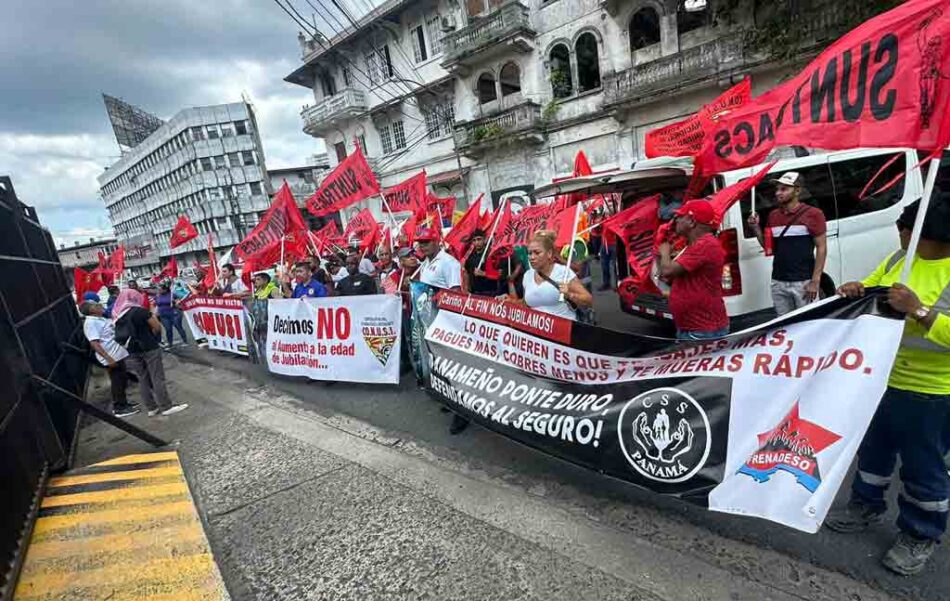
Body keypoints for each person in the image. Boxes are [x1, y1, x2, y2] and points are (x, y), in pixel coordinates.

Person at [825, 198, 950, 576]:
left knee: (922, 466)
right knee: (873, 452)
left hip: (932, 392)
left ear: (921, 233)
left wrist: (920, 311)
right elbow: (875, 289)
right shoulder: (900, 259)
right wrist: (857, 290)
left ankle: (920, 532)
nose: (900, 234)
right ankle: (865, 503)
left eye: (905, 227)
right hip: (881, 378)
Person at [747, 171, 828, 315]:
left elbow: (821, 247)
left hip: (803, 280)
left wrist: (815, 281)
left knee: (807, 323)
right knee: (784, 325)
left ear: (797, 190)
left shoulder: (814, 214)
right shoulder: (773, 216)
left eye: (784, 189)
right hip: (778, 281)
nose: (778, 193)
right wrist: (756, 228)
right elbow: (769, 247)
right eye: (777, 189)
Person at [658, 199, 730, 341]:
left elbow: (667, 270)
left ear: (691, 222)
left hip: (703, 330)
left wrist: (664, 251)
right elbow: (668, 275)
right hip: (693, 328)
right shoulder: (693, 245)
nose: (675, 221)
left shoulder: (705, 244)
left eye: (679, 217)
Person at [113, 289, 188, 417]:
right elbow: (157, 327)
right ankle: (166, 406)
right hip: (149, 348)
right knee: (157, 377)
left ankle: (151, 408)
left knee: (142, 378)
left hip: (131, 351)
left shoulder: (118, 315)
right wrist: (149, 336)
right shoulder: (140, 311)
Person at [508, 230, 593, 321]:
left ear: (549, 254)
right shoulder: (527, 276)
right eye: (529, 253)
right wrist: (512, 302)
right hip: (536, 332)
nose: (532, 257)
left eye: (537, 253)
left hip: (563, 330)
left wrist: (569, 295)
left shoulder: (563, 272)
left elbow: (589, 300)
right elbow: (527, 303)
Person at [80, 300, 139, 417]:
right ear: (92, 310)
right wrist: (108, 359)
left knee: (122, 379)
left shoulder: (100, 319)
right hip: (111, 356)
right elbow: (94, 343)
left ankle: (124, 402)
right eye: (96, 305)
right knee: (117, 381)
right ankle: (119, 407)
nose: (100, 306)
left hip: (117, 354)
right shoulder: (91, 323)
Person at [417, 227, 462, 291]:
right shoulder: (425, 262)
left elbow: (455, 291)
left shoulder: (448, 262)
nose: (422, 246)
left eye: (426, 242)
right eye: (420, 243)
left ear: (436, 242)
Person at [463, 229, 502, 296]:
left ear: (484, 240)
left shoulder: (492, 255)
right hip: (475, 293)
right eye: (474, 240)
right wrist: (466, 288)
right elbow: (467, 273)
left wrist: (483, 274)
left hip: (491, 293)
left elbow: (500, 274)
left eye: (479, 239)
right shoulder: (470, 257)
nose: (477, 242)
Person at [155, 283, 188, 347]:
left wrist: (175, 302)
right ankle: (170, 343)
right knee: (168, 329)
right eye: (158, 290)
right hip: (163, 315)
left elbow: (182, 299)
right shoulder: (157, 296)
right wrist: (156, 312)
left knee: (178, 327)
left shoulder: (172, 295)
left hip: (174, 314)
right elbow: (157, 305)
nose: (159, 291)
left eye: (160, 290)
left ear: (165, 290)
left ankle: (185, 341)